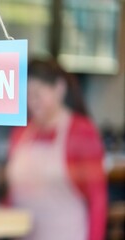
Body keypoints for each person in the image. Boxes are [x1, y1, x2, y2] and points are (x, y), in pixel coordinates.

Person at [6, 59, 107, 240]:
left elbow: (97, 199)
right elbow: (14, 194)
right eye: (27, 95)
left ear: (59, 88)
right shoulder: (21, 131)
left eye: (37, 93)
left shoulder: (81, 132)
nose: (32, 101)